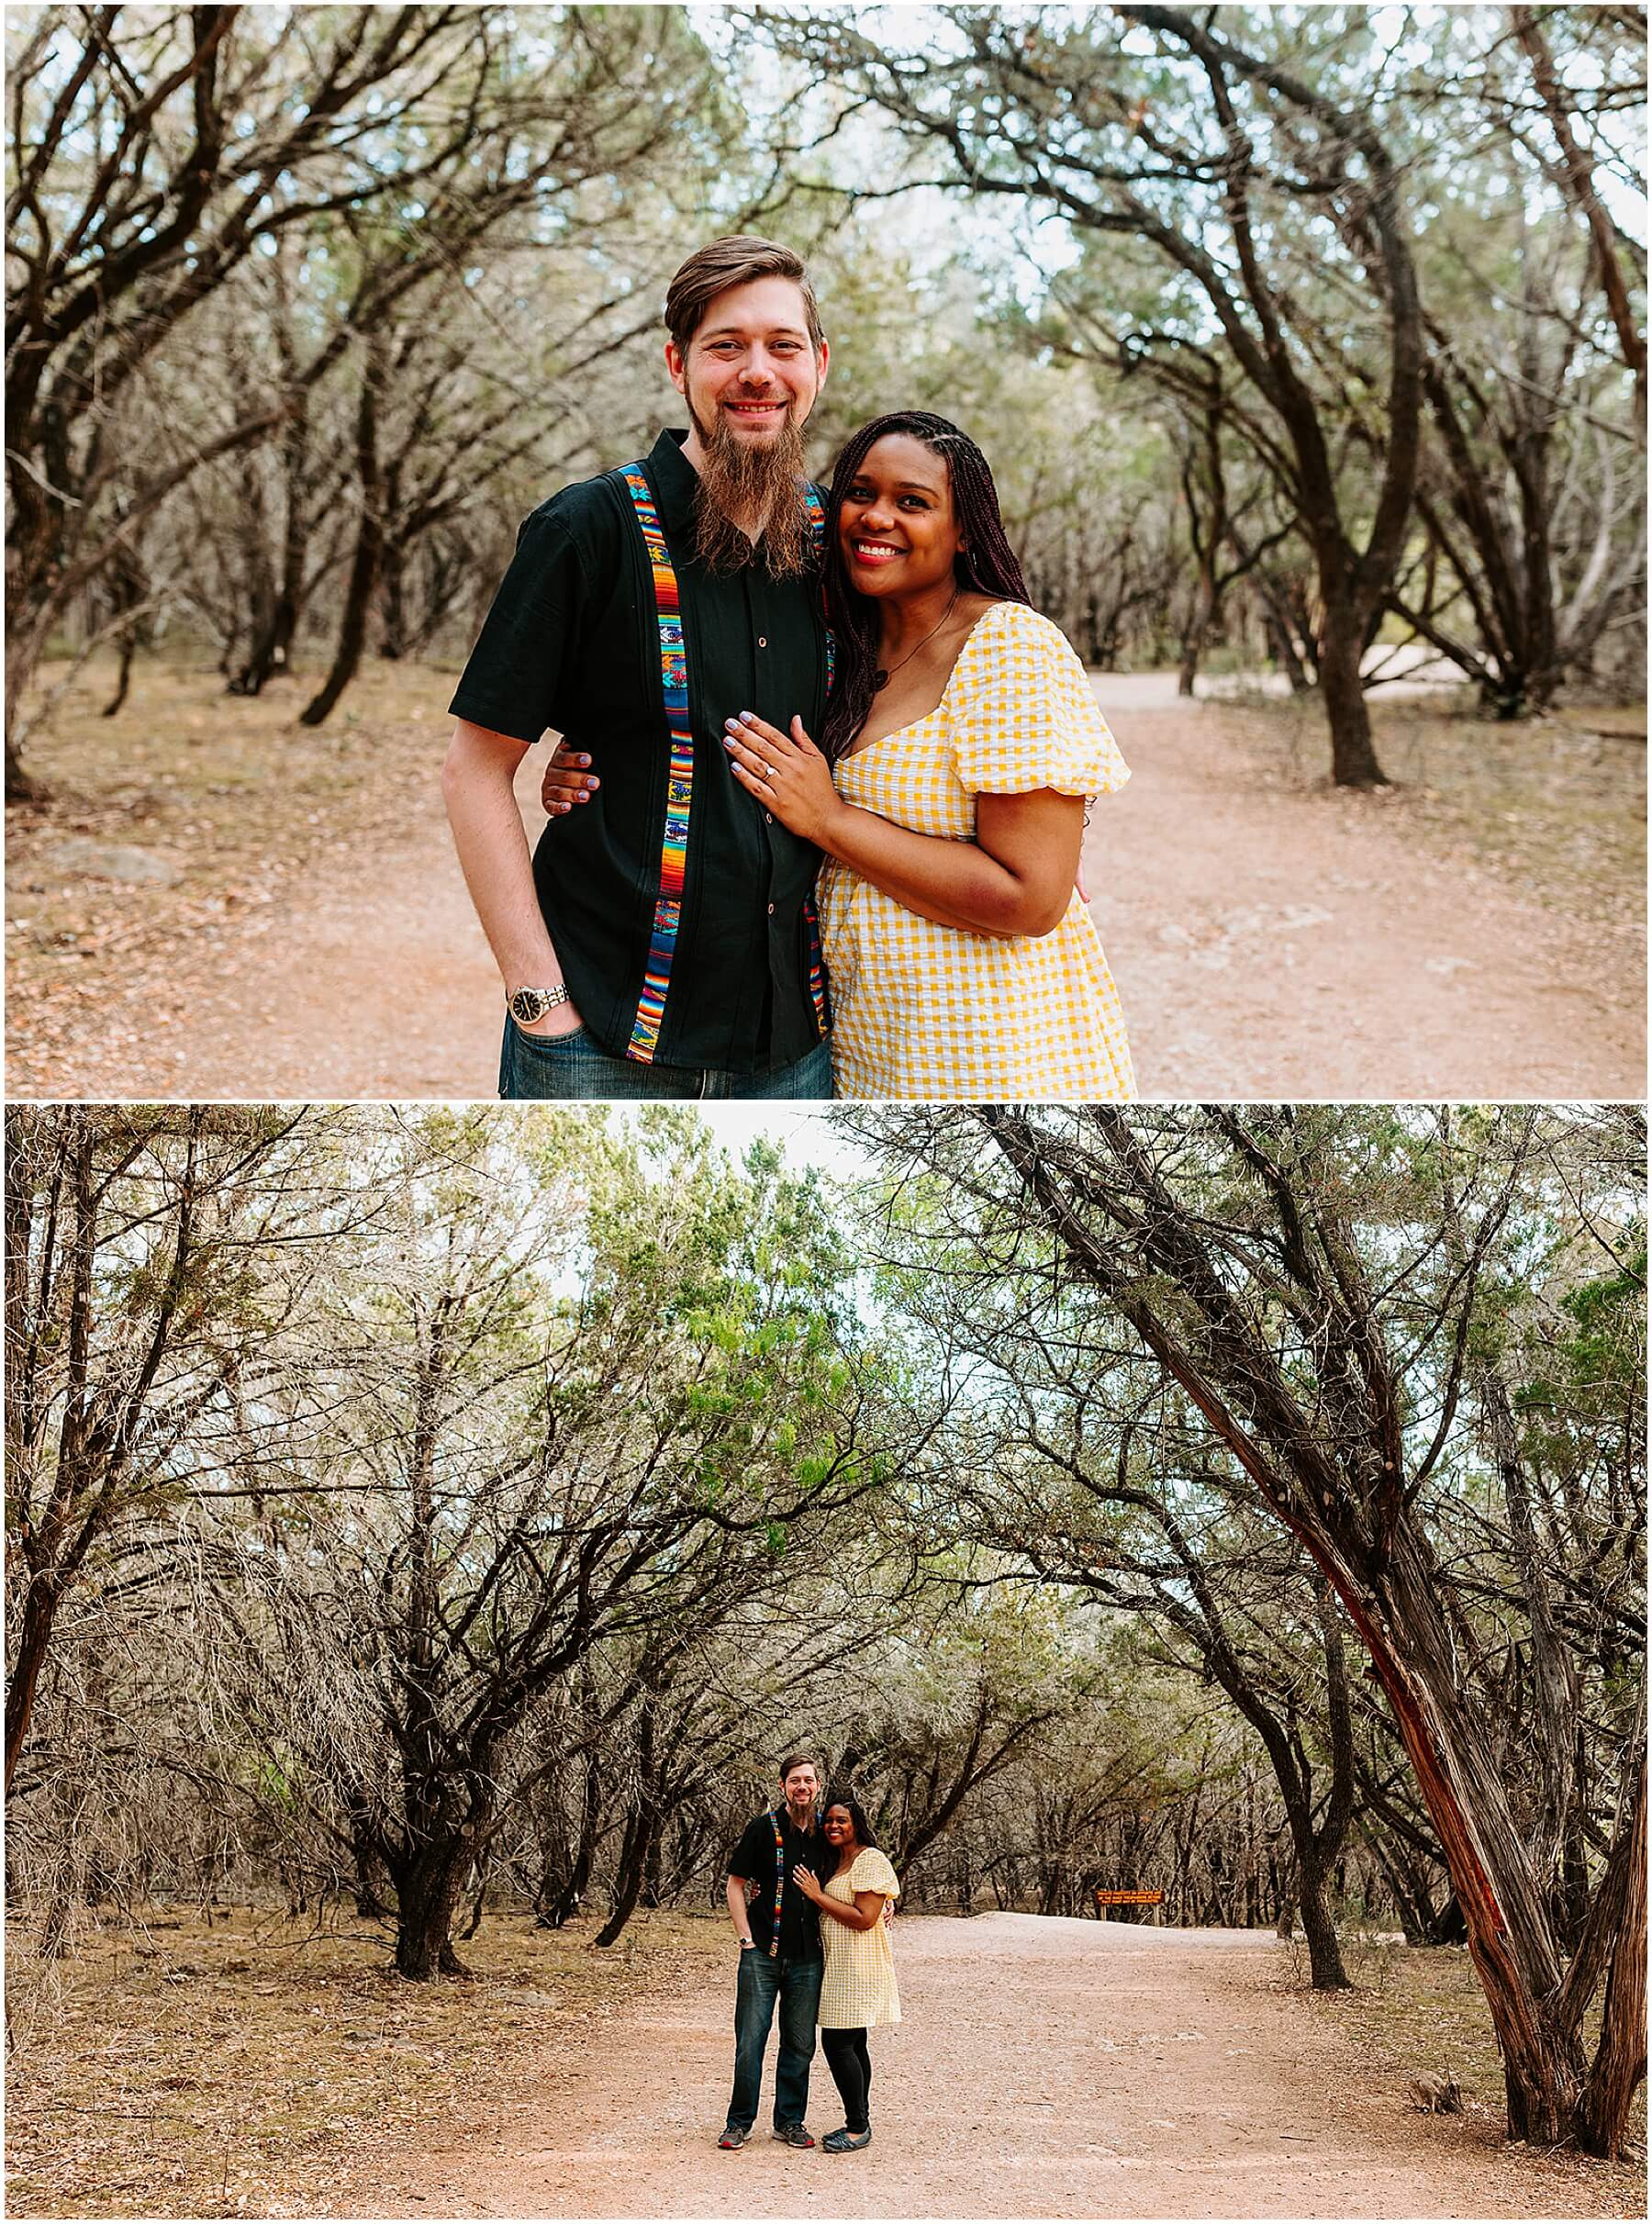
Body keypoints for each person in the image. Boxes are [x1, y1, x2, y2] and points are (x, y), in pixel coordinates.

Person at [441, 236, 835, 1101]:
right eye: (725, 346)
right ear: (677, 364)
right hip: (597, 1039)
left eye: (783, 345)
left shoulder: (844, 546)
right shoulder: (586, 529)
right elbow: (475, 771)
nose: (756, 371)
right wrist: (539, 1000)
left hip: (796, 1049)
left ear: (819, 364)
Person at [720, 410, 1134, 1099]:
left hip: (993, 1048)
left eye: (912, 502)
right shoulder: (837, 647)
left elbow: (1031, 898)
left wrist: (830, 820)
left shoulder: (1006, 648)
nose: (877, 517)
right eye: (860, 492)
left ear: (964, 527)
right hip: (867, 1045)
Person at [720, 1753, 829, 2151]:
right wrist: (746, 1938)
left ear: (818, 1786)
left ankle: (789, 2121)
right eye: (795, 1780)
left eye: (809, 1780)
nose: (803, 1787)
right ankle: (739, 2122)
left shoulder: (827, 1833)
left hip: (808, 1958)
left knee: (800, 2043)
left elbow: (860, 1867)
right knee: (751, 2040)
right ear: (783, 1785)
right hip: (762, 1953)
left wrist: (888, 1898)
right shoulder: (762, 1829)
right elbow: (735, 1884)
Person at [791, 1791, 900, 2154]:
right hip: (839, 1966)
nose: (833, 1826)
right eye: (829, 1820)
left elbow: (865, 1918)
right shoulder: (835, 1859)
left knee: (837, 2044)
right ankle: (860, 2120)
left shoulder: (869, 1859)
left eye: (842, 1820)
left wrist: (817, 1895)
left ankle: (857, 2127)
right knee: (853, 2043)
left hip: (859, 1965)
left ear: (856, 1825)